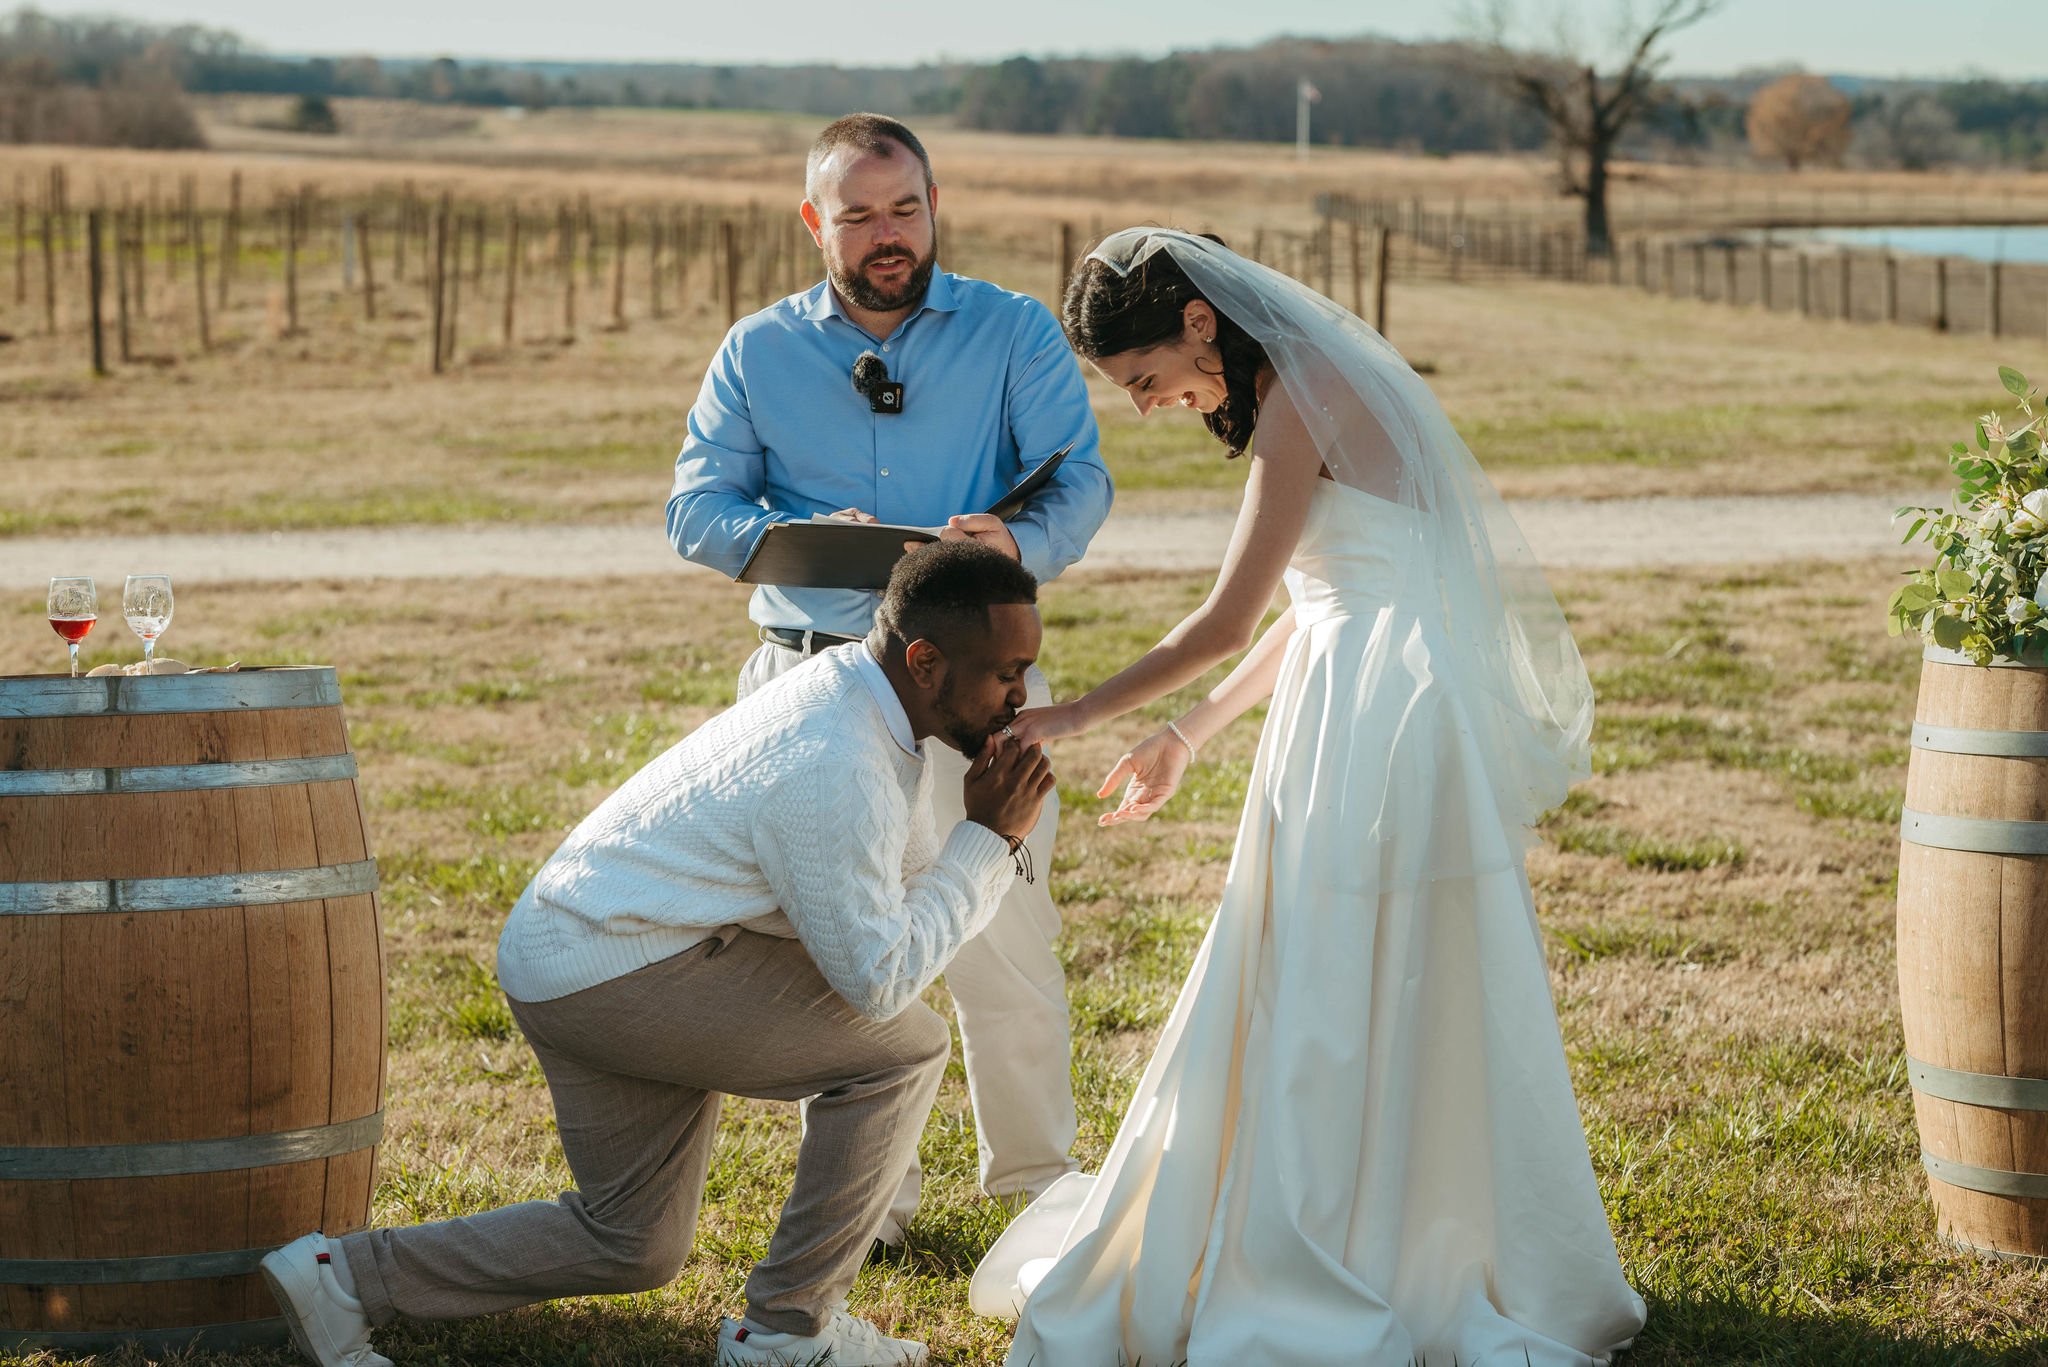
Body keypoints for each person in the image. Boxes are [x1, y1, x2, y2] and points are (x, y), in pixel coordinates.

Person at [966, 230, 1649, 1366]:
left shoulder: (1303, 392)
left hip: (1371, 719)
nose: (1146, 406)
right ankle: (1392, 1227)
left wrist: (1074, 712)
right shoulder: (1315, 388)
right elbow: (1319, 602)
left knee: (1334, 972)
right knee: (1363, 970)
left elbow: (1227, 619)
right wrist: (1187, 731)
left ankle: (1351, 1239)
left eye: (1142, 380)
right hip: (1373, 697)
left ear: (1197, 321)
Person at [262, 541, 1057, 1367]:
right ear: (925, 661)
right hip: (614, 963)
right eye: (1008, 672)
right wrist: (989, 840)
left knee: (632, 1240)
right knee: (902, 1052)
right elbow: (880, 980)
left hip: (577, 951)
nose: (1021, 696)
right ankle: (786, 1333)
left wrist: (982, 844)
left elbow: (890, 901)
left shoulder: (861, 706)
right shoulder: (837, 758)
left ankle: (340, 1275)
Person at [666, 112, 1111, 1248]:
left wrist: (1010, 549)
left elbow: (1080, 486)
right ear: (814, 220)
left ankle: (1034, 1189)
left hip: (973, 690)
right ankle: (875, 1206)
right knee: (840, 958)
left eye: (903, 208)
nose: (885, 234)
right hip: (807, 692)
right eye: (856, 214)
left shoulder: (1012, 332)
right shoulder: (755, 349)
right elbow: (696, 508)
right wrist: (791, 529)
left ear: (931, 204)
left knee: (1003, 937)